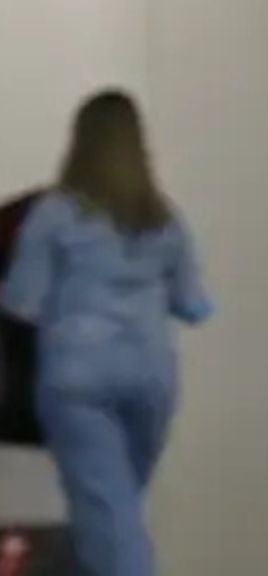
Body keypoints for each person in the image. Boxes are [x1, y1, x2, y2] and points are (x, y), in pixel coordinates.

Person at [0, 91, 211, 576]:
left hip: (78, 378)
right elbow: (192, 304)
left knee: (106, 516)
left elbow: (21, 300)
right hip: (150, 377)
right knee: (115, 510)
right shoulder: (163, 218)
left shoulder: (53, 214)